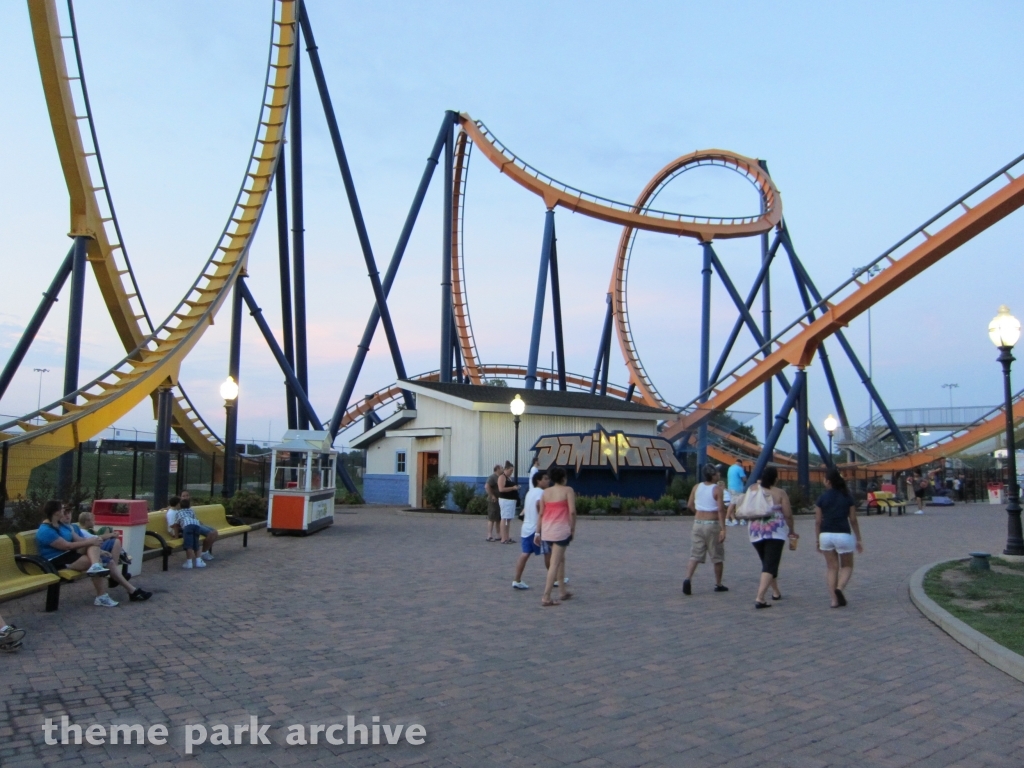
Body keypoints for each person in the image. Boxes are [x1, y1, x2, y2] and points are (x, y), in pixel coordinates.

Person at [36, 500, 151, 606]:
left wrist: (99, 549)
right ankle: (106, 594)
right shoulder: (46, 531)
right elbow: (67, 545)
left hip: (70, 554)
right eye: (62, 509)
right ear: (56, 513)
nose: (64, 511)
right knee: (99, 559)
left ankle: (131, 591)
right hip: (56, 559)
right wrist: (92, 543)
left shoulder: (63, 526)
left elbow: (79, 540)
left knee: (99, 554)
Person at [729, 467, 797, 609]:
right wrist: (791, 530)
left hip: (755, 531)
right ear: (776, 478)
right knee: (770, 564)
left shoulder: (753, 488)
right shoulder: (779, 493)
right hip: (774, 531)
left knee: (767, 562)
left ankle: (776, 592)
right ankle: (760, 598)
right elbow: (788, 514)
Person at [814, 468, 864, 608]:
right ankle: (840, 589)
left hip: (825, 534)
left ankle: (834, 600)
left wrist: (817, 540)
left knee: (831, 568)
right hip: (843, 534)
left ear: (828, 482)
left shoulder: (822, 498)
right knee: (847, 566)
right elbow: (853, 519)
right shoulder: (847, 497)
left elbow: (818, 521)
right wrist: (858, 538)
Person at [683, 464, 728, 595]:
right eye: (717, 473)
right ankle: (718, 583)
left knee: (695, 554)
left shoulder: (696, 487)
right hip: (712, 524)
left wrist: (698, 512)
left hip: (697, 523)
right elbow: (721, 510)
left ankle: (687, 578)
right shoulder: (717, 490)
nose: (719, 475)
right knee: (717, 555)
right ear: (713, 475)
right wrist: (723, 529)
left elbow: (690, 504)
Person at [536, 466, 576, 606]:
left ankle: (562, 591)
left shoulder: (545, 492)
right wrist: (572, 529)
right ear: (563, 478)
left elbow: (541, 513)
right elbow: (572, 512)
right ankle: (546, 596)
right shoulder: (568, 491)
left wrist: (537, 532)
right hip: (560, 532)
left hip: (547, 531)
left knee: (561, 559)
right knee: (554, 563)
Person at [512, 471, 551, 590]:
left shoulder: (530, 492)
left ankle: (517, 579)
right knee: (548, 552)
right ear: (538, 481)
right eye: (545, 478)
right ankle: (554, 578)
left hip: (526, 528)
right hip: (536, 528)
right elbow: (540, 508)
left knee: (525, 554)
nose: (548, 480)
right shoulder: (541, 493)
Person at [166, 495, 205, 569]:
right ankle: (198, 561)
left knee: (188, 545)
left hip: (187, 527)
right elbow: (195, 519)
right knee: (196, 543)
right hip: (196, 526)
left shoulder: (178, 512)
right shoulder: (191, 510)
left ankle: (189, 562)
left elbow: (175, 525)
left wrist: (176, 537)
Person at [178, 492, 218, 558]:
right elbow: (172, 508)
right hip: (189, 526)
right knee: (211, 533)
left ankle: (205, 551)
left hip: (196, 523)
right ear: (180, 497)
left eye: (187, 495)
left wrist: (198, 521)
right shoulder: (179, 506)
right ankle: (204, 552)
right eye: (183, 496)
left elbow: (193, 517)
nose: (186, 497)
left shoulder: (189, 507)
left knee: (215, 532)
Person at [497, 461, 519, 544]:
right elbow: (501, 489)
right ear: (505, 469)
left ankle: (507, 536)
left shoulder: (509, 478)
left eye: (512, 470)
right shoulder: (502, 477)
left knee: (508, 519)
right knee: (504, 518)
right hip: (505, 500)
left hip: (511, 500)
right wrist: (512, 488)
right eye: (510, 470)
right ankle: (503, 538)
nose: (511, 472)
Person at [725, 460, 748, 526]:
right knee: (735, 503)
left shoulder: (730, 468)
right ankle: (727, 519)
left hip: (730, 487)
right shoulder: (739, 468)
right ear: (740, 464)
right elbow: (744, 478)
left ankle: (734, 519)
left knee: (733, 502)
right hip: (737, 488)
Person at [485, 465, 502, 542]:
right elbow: (487, 486)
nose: (503, 469)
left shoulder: (500, 477)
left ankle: (499, 535)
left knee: (498, 518)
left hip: (499, 500)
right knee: (491, 518)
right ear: (497, 469)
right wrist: (492, 496)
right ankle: (489, 535)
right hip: (493, 500)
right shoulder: (492, 477)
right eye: (501, 468)